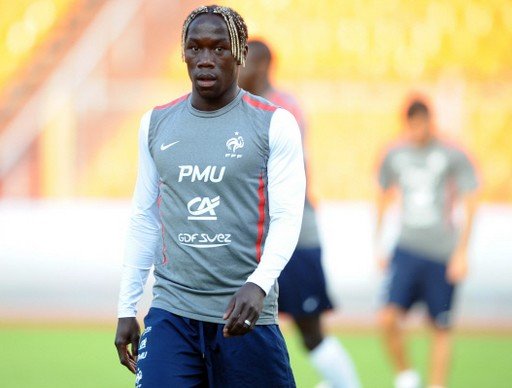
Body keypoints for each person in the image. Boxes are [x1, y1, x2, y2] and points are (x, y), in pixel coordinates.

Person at [114, 6, 305, 387]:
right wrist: (126, 306)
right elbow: (144, 217)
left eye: (218, 49)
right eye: (195, 48)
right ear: (183, 53)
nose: (205, 60)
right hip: (172, 312)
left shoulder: (273, 124)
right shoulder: (156, 124)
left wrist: (259, 284)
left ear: (241, 53)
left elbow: (287, 217)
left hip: (244, 315)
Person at [239, 39, 360, 388]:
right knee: (240, 328)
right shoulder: (242, 106)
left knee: (310, 331)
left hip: (293, 235)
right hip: (256, 237)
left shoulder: (282, 108)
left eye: (241, 61)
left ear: (261, 67)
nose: (234, 68)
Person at [375, 98, 479, 388]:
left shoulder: (451, 154)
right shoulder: (395, 154)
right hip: (406, 248)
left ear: (430, 122)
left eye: (422, 124)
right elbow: (383, 195)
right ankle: (407, 374)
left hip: (441, 251)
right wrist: (378, 242)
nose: (417, 131)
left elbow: (471, 200)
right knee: (387, 318)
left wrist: (462, 252)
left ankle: (437, 385)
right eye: (412, 125)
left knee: (440, 327)